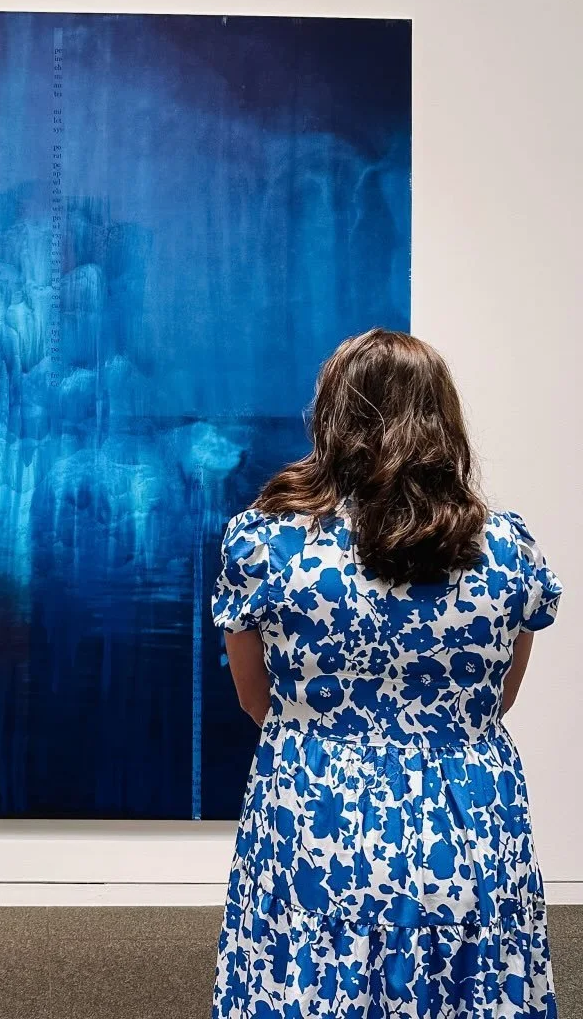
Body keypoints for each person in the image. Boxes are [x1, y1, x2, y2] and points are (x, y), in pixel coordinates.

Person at [210, 328, 563, 1018]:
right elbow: (499, 697)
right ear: (444, 419)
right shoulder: (509, 549)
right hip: (470, 812)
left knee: (307, 977)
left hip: (315, 807)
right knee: (474, 976)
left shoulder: (265, 544)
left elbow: (257, 699)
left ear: (333, 417)